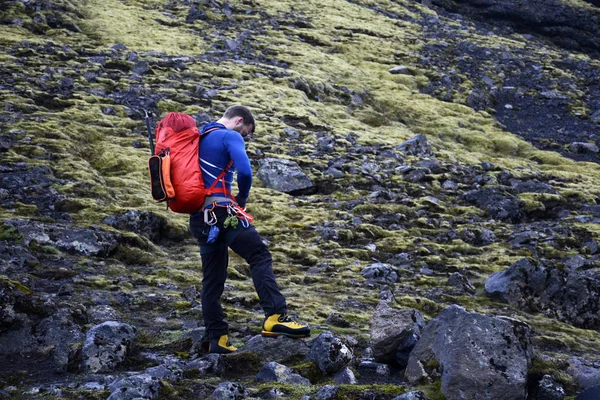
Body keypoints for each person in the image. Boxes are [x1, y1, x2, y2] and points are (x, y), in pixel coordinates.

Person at [189, 105, 310, 354]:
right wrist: (241, 199)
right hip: (222, 212)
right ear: (239, 121)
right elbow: (244, 171)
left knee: (212, 279)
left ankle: (218, 339)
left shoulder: (198, 137)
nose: (243, 137)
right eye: (246, 132)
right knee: (259, 256)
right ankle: (275, 317)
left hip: (199, 217)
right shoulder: (229, 135)